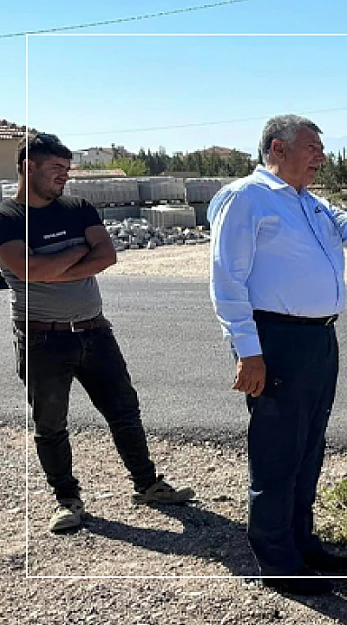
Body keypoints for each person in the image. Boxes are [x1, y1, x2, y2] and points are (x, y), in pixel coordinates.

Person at [208, 115, 347, 595]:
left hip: (319, 341)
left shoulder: (310, 203)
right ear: (278, 149)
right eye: (312, 148)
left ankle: (302, 544)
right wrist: (248, 352)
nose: (320, 156)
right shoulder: (248, 198)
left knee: (308, 450)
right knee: (278, 452)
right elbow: (227, 281)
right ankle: (277, 561)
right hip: (277, 340)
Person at [0, 133, 194, 534]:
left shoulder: (78, 207)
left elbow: (106, 255)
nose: (64, 178)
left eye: (67, 171)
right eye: (56, 170)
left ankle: (148, 484)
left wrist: (51, 265)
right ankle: (67, 500)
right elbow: (29, 271)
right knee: (50, 424)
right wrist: (72, 256)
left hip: (94, 331)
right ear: (27, 167)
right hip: (42, 338)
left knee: (124, 411)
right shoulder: (7, 217)